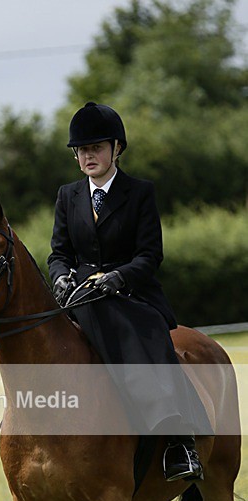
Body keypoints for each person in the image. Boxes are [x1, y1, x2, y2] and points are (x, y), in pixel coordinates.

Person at [47, 101, 210, 481]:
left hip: (131, 293)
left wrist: (118, 278)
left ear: (116, 148)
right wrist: (59, 277)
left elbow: (151, 254)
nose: (88, 155)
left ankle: (178, 439)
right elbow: (59, 253)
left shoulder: (139, 192)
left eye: (96, 148)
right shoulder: (67, 196)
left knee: (146, 337)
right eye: (82, 150)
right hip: (82, 295)